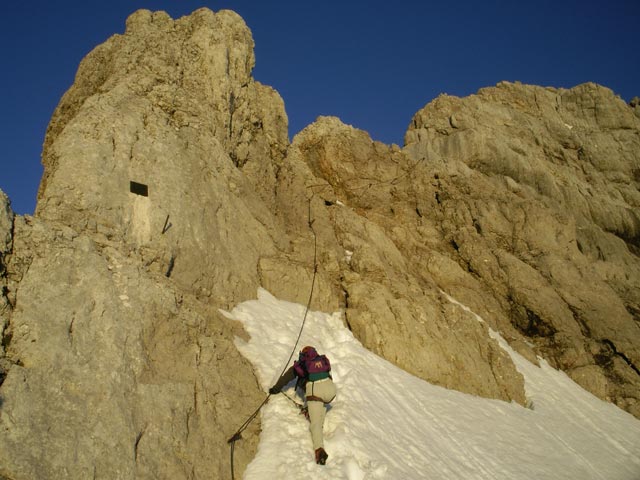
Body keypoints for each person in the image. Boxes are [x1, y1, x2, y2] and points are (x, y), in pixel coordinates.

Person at [269, 345, 336, 465]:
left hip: (315, 392)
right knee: (319, 407)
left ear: (303, 355)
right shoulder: (322, 360)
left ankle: (319, 449)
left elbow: (285, 379)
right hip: (331, 391)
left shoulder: (301, 364)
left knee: (315, 424)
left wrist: (275, 389)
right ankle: (316, 412)